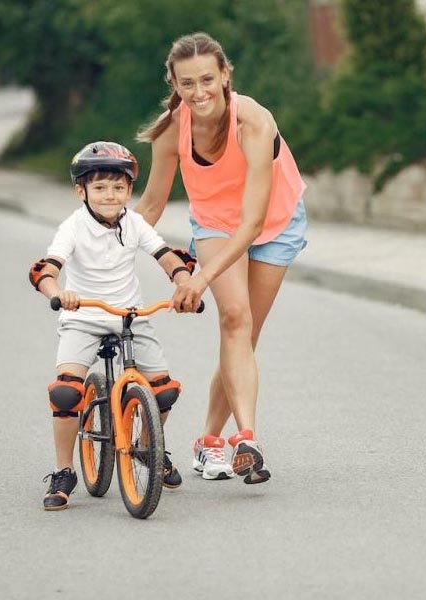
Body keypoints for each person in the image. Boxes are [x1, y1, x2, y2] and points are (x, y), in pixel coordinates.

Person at [135, 32, 308, 485]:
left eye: (208, 79)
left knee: (245, 336)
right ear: (174, 83)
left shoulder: (252, 121)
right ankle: (247, 438)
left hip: (273, 221)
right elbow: (151, 206)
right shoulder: (172, 129)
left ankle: (209, 439)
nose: (199, 92)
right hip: (214, 221)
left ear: (226, 74)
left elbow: (252, 223)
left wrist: (196, 278)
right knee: (234, 319)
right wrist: (97, 241)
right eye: (187, 83)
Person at [29, 141, 197, 510]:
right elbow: (47, 268)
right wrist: (59, 293)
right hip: (83, 316)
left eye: (119, 188)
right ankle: (63, 470)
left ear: (129, 190)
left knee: (164, 390)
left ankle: (146, 444)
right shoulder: (72, 227)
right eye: (100, 187)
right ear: (81, 191)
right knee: (66, 393)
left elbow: (166, 256)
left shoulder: (134, 223)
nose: (110, 195)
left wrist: (185, 283)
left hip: (130, 315)